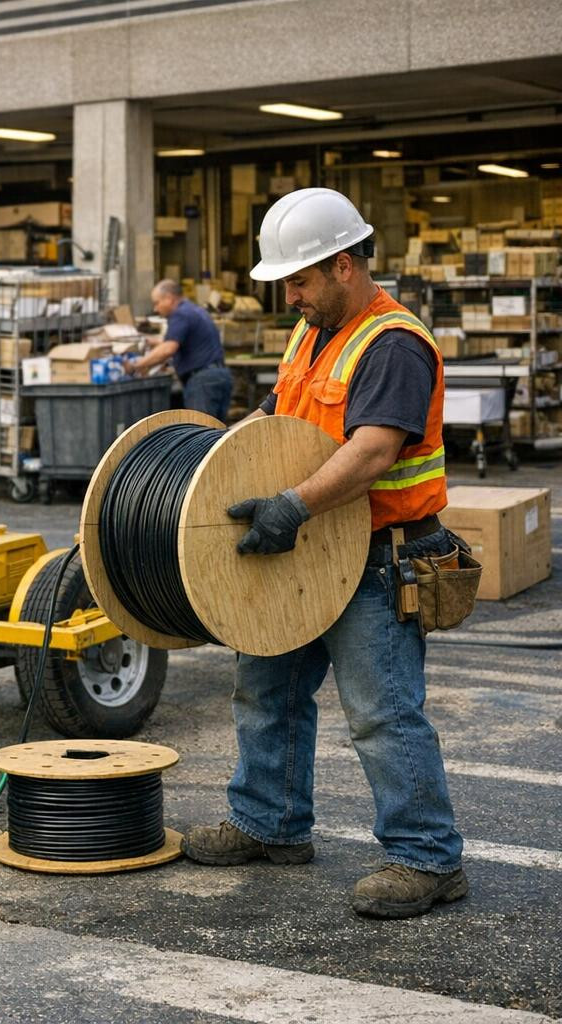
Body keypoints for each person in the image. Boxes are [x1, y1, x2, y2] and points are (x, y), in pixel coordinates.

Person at [183, 187, 465, 920]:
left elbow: (372, 451)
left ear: (344, 265)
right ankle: (269, 823)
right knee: (265, 689)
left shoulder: (392, 343)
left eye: (299, 281)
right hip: (305, 550)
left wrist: (293, 505)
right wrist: (216, 460)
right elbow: (278, 415)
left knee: (380, 712)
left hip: (376, 558)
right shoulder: (311, 332)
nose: (291, 297)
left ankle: (427, 856)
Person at [134, 279, 232, 421]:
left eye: (157, 303)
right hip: (220, 376)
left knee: (201, 430)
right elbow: (180, 341)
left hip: (203, 381)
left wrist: (137, 365)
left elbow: (168, 349)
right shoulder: (195, 310)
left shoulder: (180, 314)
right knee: (217, 431)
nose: (155, 309)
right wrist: (155, 342)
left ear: (169, 299)